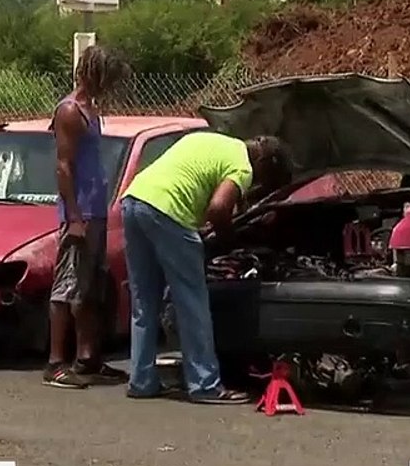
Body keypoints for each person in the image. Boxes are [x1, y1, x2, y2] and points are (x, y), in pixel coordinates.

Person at [120, 132, 294, 403]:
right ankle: (205, 385)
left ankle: (141, 380)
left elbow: (190, 182)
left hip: (134, 201)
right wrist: (227, 237)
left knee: (144, 302)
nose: (257, 185)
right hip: (168, 212)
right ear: (264, 165)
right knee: (192, 304)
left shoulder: (209, 140)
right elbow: (218, 207)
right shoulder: (242, 167)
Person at [43, 45, 132, 389]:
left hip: (96, 212)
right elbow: (63, 167)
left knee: (89, 288)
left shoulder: (91, 111)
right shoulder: (69, 112)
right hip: (79, 213)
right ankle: (55, 363)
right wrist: (75, 217)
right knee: (66, 286)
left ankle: (87, 358)